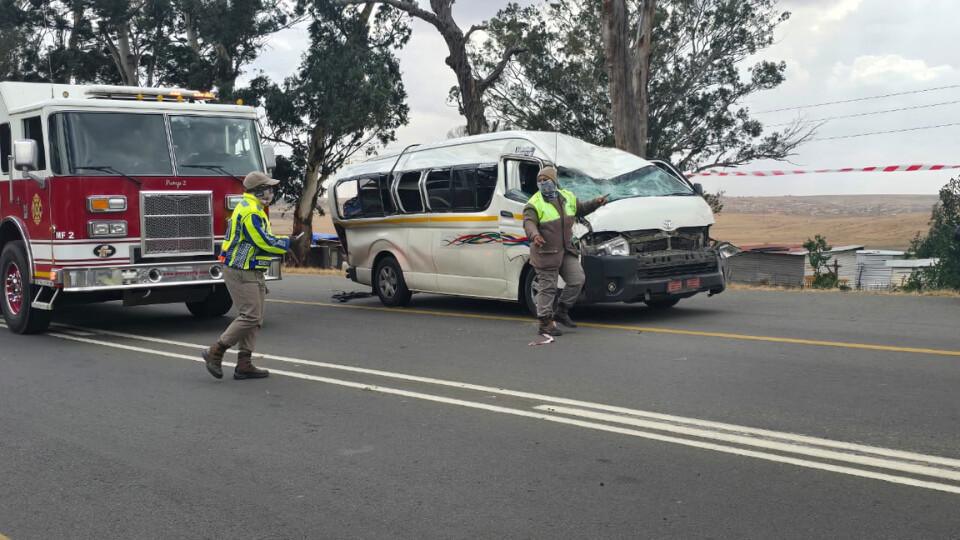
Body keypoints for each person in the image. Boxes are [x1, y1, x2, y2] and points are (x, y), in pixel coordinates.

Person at [202, 171, 292, 380]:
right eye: (268, 188)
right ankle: (215, 351)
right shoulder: (250, 212)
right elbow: (263, 241)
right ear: (259, 191)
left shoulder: (253, 208)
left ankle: (244, 364)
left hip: (250, 268)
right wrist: (288, 243)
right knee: (250, 316)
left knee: (255, 317)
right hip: (241, 269)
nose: (271, 192)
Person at [523, 166, 608, 336]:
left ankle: (561, 311)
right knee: (548, 288)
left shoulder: (567, 196)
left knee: (577, 280)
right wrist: (535, 235)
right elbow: (528, 222)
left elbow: (581, 209)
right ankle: (545, 323)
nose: (542, 183)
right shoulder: (534, 203)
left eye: (546, 180)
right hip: (545, 253)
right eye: (540, 181)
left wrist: (596, 203)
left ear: (554, 181)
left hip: (566, 250)